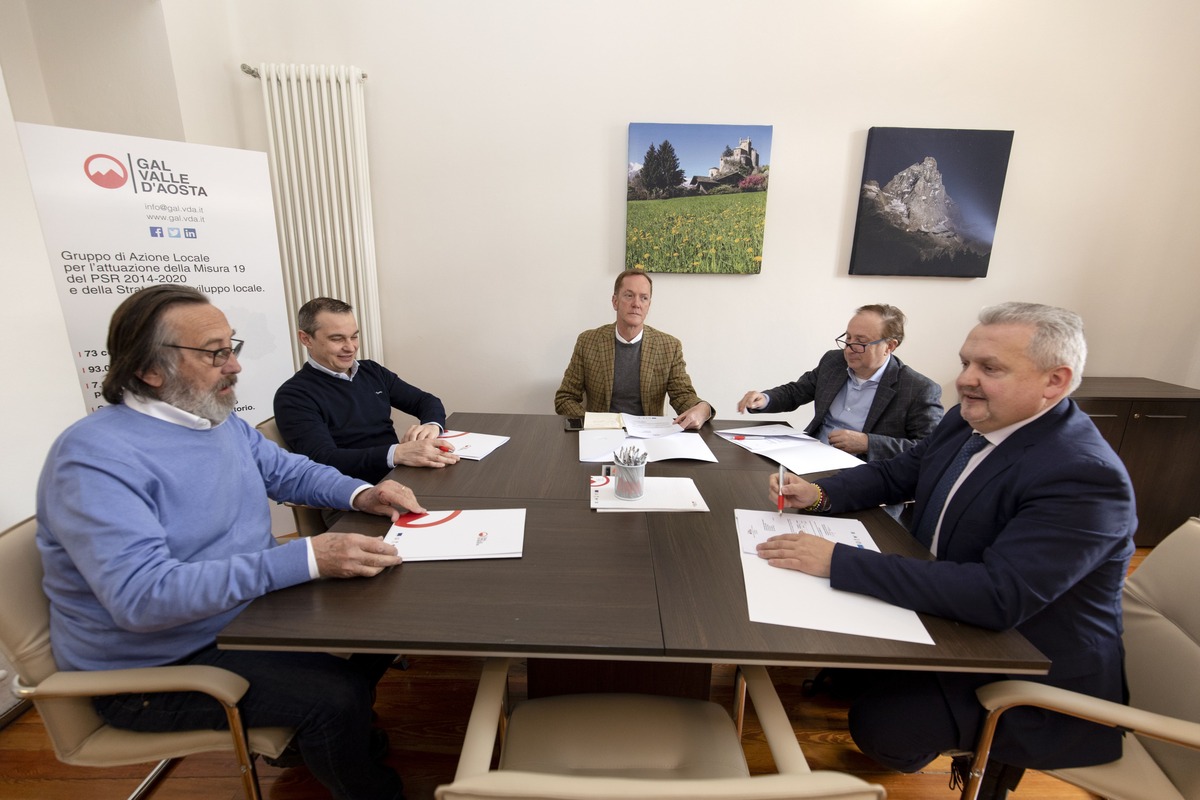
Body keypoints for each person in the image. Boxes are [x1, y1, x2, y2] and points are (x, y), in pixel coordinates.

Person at [37, 285, 424, 800]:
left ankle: (329, 740)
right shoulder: (94, 458)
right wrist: (306, 556)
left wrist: (361, 493)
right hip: (154, 669)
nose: (235, 366)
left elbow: (290, 472)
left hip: (240, 615)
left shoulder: (216, 423)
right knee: (337, 695)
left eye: (231, 347)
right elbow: (143, 599)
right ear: (149, 369)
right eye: (214, 354)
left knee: (392, 616)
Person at [758, 302, 1136, 799]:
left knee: (881, 726)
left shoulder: (1083, 474)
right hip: (949, 606)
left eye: (989, 368)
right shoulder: (967, 419)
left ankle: (977, 755)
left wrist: (836, 560)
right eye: (966, 363)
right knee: (835, 658)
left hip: (1025, 661)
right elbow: (898, 473)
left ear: (1055, 381)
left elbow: (997, 596)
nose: (965, 380)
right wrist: (819, 493)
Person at [274, 297, 457, 484]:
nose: (350, 347)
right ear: (306, 339)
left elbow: (426, 401)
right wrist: (397, 453)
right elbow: (324, 459)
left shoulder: (371, 371)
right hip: (356, 490)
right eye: (337, 339)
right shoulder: (293, 396)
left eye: (354, 336)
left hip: (400, 474)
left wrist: (431, 425)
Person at [737, 304, 943, 461]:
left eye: (861, 342)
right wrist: (764, 399)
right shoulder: (833, 362)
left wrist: (868, 443)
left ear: (889, 346)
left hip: (865, 472)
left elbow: (931, 449)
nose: (849, 348)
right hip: (809, 456)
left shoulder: (919, 389)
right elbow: (797, 391)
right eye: (848, 338)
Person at [554, 269, 713, 428]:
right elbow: (565, 398)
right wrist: (594, 422)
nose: (636, 304)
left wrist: (703, 409)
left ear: (648, 305)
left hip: (649, 435)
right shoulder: (588, 342)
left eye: (644, 298)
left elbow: (683, 396)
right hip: (601, 433)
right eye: (629, 295)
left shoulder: (669, 346)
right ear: (615, 302)